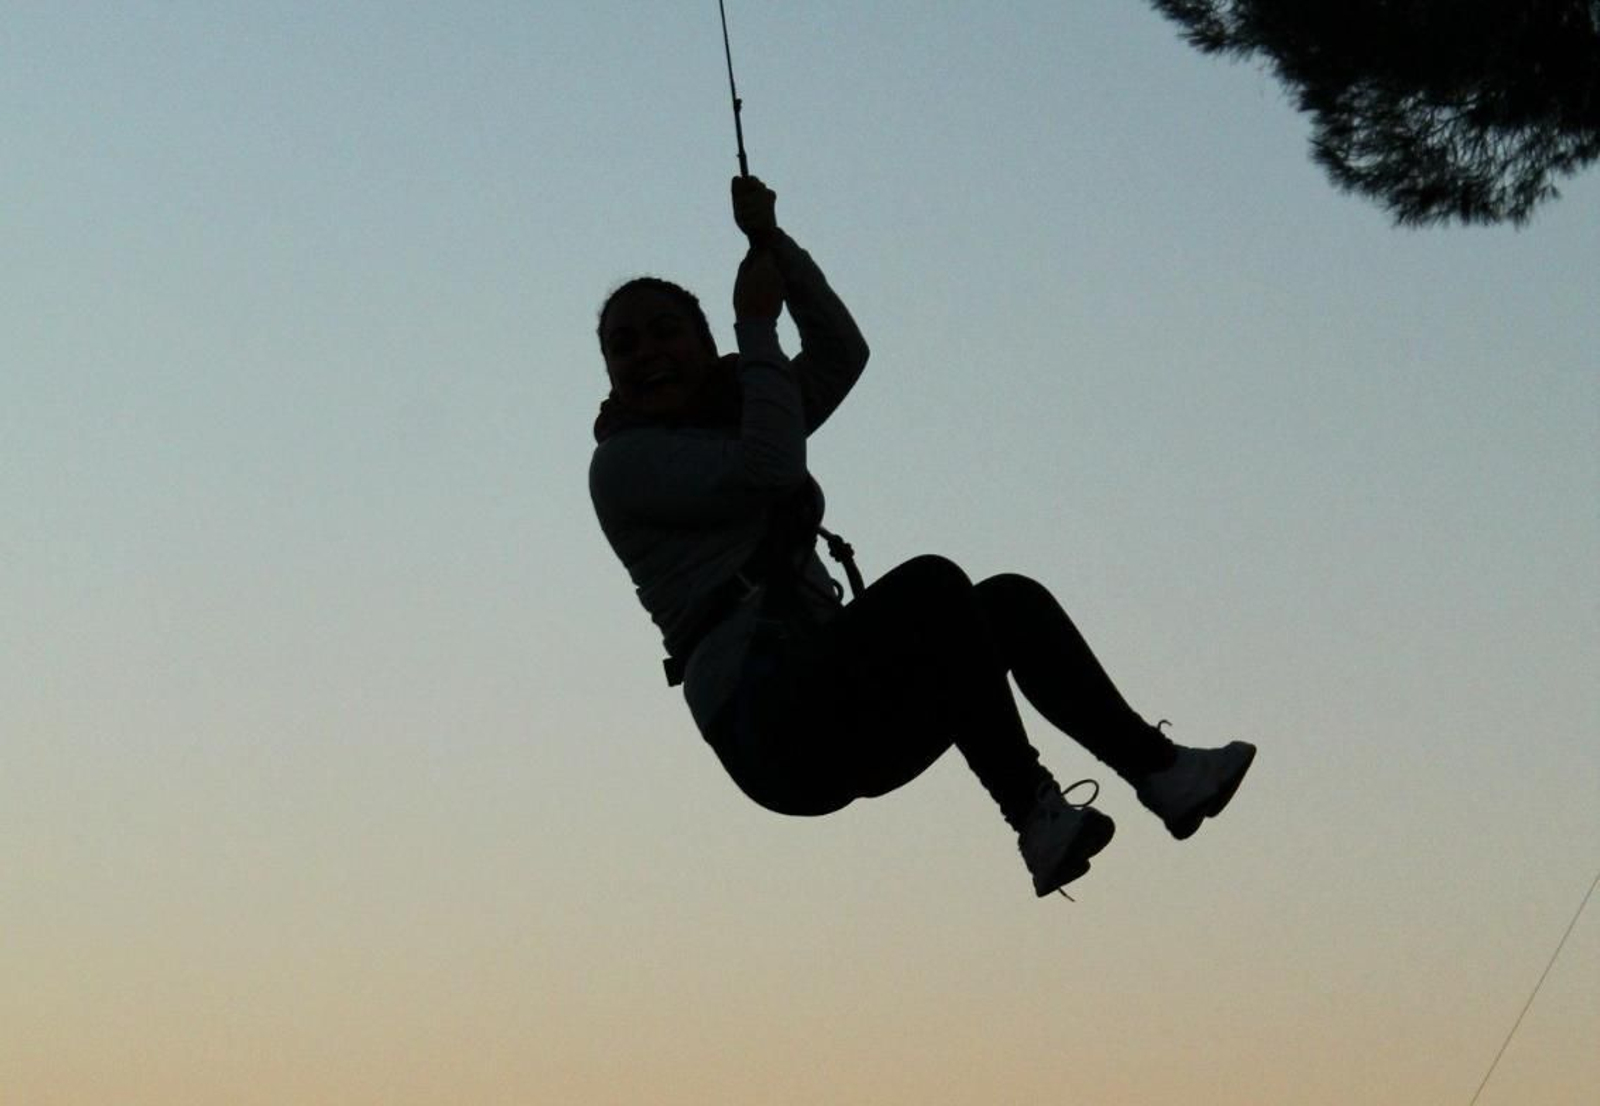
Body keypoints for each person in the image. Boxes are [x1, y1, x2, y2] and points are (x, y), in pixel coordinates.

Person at [589, 176, 1256, 897]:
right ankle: (1033, 812)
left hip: (841, 705)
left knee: (1003, 603)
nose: (646, 352)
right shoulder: (625, 465)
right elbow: (773, 464)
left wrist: (772, 243)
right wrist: (757, 327)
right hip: (771, 724)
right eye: (624, 346)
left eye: (664, 332)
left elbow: (842, 355)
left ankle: (1161, 773)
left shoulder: (747, 411)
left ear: (701, 342)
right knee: (934, 586)